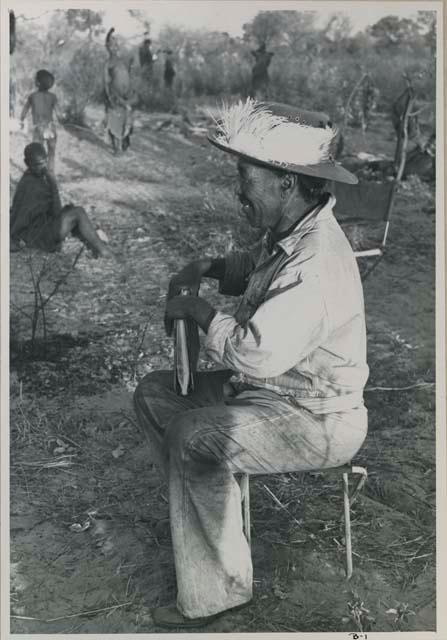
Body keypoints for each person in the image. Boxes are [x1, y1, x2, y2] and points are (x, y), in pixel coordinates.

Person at [133, 99, 369, 628]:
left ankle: (219, 592)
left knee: (194, 437)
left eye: (245, 176)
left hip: (318, 418)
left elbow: (255, 353)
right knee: (155, 394)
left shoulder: (316, 262)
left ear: (286, 181)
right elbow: (258, 274)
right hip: (273, 395)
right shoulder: (294, 230)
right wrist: (212, 267)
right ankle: (210, 519)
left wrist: (197, 309)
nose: (238, 189)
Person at [10, 142, 113, 258]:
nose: (42, 167)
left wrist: (51, 150)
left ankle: (93, 243)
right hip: (38, 237)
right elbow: (55, 212)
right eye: (37, 165)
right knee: (78, 212)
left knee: (71, 210)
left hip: (38, 230)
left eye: (44, 162)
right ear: (27, 163)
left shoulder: (33, 177)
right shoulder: (31, 184)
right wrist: (53, 185)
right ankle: (104, 251)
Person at [20, 69, 61, 173]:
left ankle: (38, 174)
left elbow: (25, 110)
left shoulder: (32, 96)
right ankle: (51, 173)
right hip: (50, 128)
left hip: (39, 128)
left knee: (37, 153)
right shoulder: (53, 97)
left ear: (37, 83)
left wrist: (21, 119)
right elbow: (59, 114)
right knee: (51, 153)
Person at [104, 28, 133, 154]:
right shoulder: (108, 64)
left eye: (116, 45)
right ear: (107, 47)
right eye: (111, 45)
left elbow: (128, 76)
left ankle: (125, 143)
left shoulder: (122, 61)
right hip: (114, 97)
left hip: (125, 96)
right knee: (115, 121)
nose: (114, 47)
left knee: (126, 119)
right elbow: (106, 82)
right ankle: (117, 148)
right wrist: (109, 97)